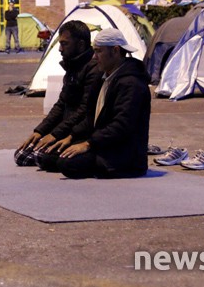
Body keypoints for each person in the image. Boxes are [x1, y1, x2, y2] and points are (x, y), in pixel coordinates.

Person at [37, 28, 151, 179]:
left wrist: (88, 144)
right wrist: (71, 137)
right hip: (102, 143)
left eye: (99, 52)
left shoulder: (131, 83)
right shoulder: (104, 76)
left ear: (116, 51)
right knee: (47, 157)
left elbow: (122, 125)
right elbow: (91, 117)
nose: (95, 57)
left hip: (122, 153)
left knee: (67, 164)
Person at [14, 20, 100, 166]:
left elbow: (84, 111)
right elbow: (61, 104)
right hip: (66, 127)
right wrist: (40, 131)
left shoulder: (93, 69)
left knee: (43, 157)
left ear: (80, 45)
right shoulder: (72, 67)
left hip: (80, 131)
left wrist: (57, 134)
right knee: (22, 155)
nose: (60, 49)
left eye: (65, 44)